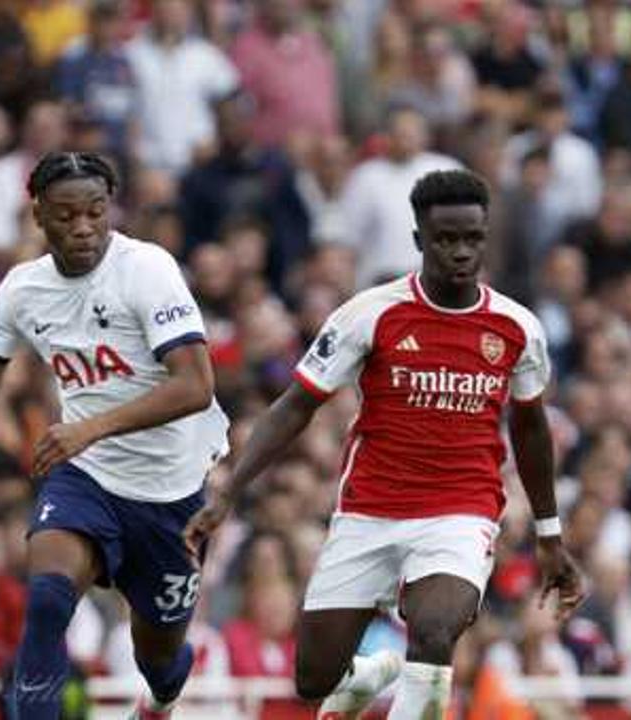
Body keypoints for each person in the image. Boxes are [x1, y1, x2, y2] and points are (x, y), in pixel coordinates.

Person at [184, 169, 585, 719]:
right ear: (421, 240)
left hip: (460, 510)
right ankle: (365, 676)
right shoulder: (369, 315)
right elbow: (296, 404)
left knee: (436, 630)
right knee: (313, 678)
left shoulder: (517, 328)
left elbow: (532, 430)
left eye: (472, 238)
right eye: (446, 239)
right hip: (369, 509)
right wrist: (229, 489)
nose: (461, 252)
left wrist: (549, 533)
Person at [0, 151, 230, 720]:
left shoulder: (147, 269)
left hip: (171, 491)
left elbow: (195, 386)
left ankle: (160, 698)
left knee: (157, 656)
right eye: (66, 216)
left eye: (95, 212)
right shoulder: (22, 290)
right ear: (38, 214)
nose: (83, 228)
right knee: (47, 597)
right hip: (87, 475)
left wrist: (91, 426)